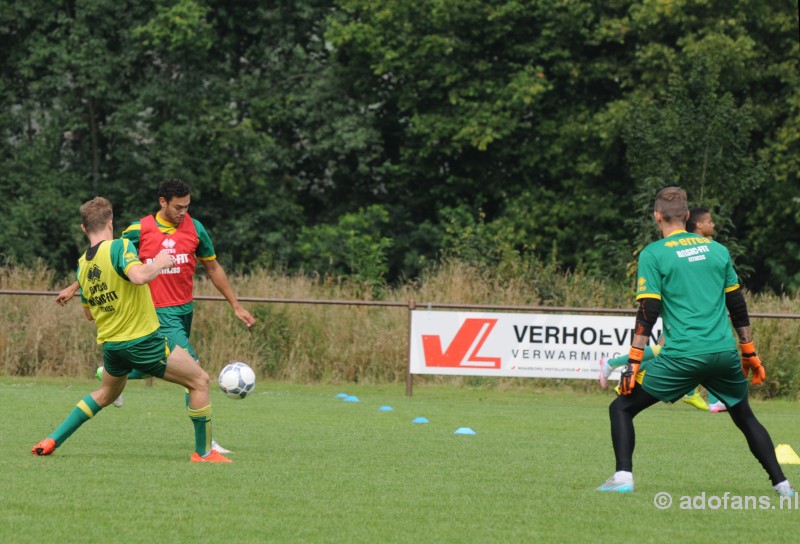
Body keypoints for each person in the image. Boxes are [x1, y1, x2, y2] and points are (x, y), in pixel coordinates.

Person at [596, 186, 793, 496]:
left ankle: (623, 478)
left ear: (656, 217)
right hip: (724, 353)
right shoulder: (718, 250)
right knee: (744, 416)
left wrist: (633, 362)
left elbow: (648, 311)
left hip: (683, 356)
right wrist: (749, 354)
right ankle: (783, 486)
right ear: (687, 217)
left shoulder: (654, 253)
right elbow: (737, 307)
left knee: (621, 409)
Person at [55, 178, 256, 454]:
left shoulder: (196, 229)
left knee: (169, 367)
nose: (183, 212)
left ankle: (113, 373)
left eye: (187, 207)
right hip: (159, 313)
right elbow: (104, 260)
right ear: (162, 202)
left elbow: (213, 268)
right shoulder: (139, 229)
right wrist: (75, 285)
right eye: (178, 207)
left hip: (185, 310)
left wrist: (236, 305)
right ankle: (206, 445)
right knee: (195, 371)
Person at [598, 206, 725, 413]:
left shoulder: (705, 246)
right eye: (710, 221)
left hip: (690, 314)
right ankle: (611, 364)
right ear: (698, 224)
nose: (713, 224)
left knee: (667, 352)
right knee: (673, 351)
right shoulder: (694, 247)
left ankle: (708, 397)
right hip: (683, 314)